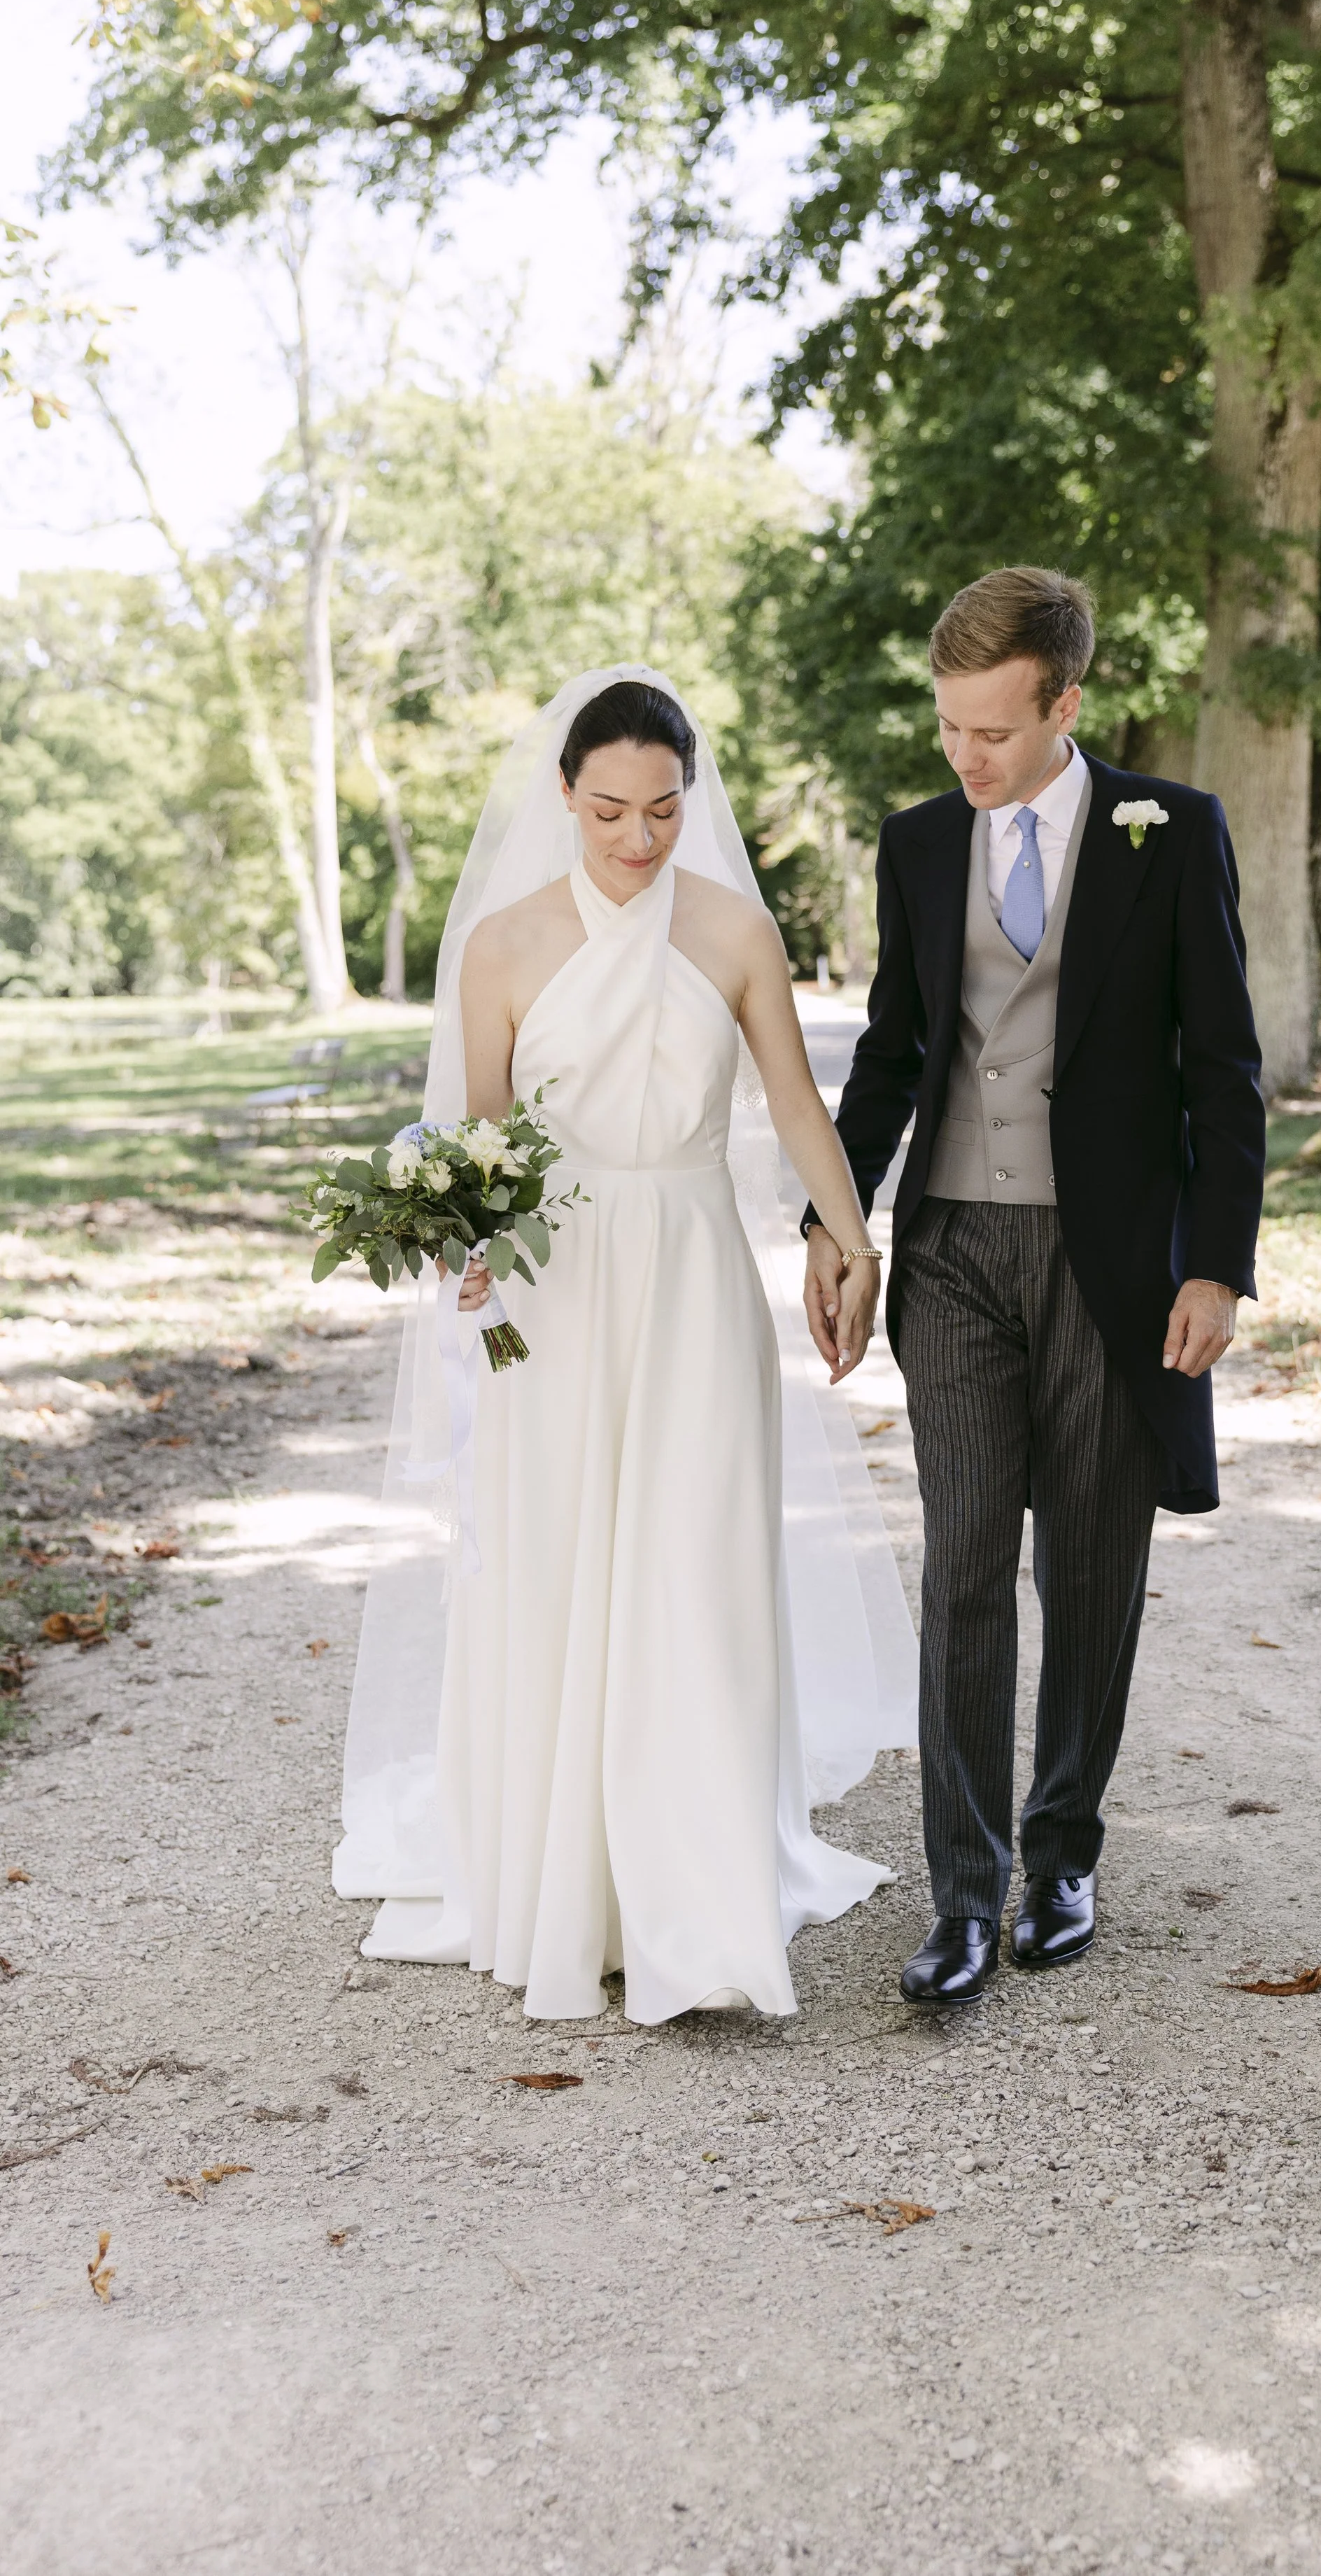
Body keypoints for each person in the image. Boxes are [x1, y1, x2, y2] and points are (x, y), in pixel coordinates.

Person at [332, 670, 915, 2022]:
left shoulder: (732, 932)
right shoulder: (502, 945)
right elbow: (483, 1146)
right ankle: (564, 1883)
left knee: (693, 1564)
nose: (639, 839)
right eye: (610, 812)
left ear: (689, 802)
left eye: (663, 811)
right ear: (565, 799)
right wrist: (459, 1251)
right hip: (558, 1286)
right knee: (557, 1562)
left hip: (696, 1272)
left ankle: (698, 1898)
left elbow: (796, 1105)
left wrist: (850, 1232)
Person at [803, 568, 1266, 2004]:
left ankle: (1061, 1853)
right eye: (946, 728)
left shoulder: (1168, 832)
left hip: (1108, 1259)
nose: (965, 758)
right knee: (959, 1569)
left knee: (1085, 1566)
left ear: (1064, 705)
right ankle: (960, 1892)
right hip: (949, 1251)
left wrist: (1215, 1265)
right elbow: (892, 1048)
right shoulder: (918, 843)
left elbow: (1222, 1071)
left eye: (992, 732)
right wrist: (834, 1221)